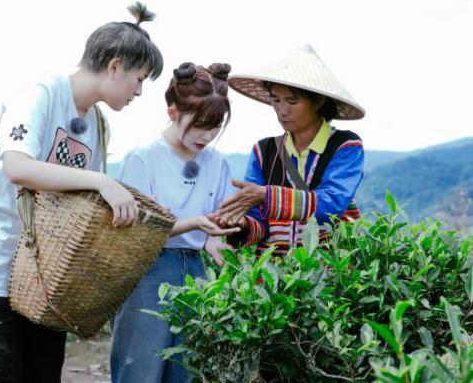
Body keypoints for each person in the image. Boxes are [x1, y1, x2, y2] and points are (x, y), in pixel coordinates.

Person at [0, 2, 163, 383]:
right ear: (114, 66)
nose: (140, 92)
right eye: (139, 79)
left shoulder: (96, 124)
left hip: (43, 280)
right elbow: (18, 168)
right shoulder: (41, 94)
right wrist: (103, 182)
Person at [111, 62, 239, 383]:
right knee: (139, 368)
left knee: (187, 371)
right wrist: (195, 224)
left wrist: (212, 240)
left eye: (215, 126)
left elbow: (215, 219)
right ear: (172, 113)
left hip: (195, 271)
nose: (207, 136)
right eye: (200, 125)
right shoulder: (145, 157)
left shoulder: (217, 162)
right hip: (148, 270)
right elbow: (136, 227)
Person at [216, 45, 365, 256]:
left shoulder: (345, 146)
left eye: (292, 101)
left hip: (329, 276)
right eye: (275, 100)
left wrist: (266, 195)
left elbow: (332, 204)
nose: (282, 111)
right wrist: (241, 224)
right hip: (276, 280)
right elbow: (258, 221)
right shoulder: (263, 151)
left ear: (318, 100)